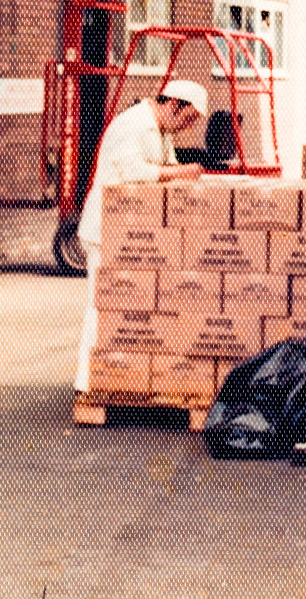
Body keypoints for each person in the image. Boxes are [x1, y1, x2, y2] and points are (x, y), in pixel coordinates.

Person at [73, 79, 208, 392]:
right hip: (105, 229)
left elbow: (168, 166)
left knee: (129, 307)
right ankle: (86, 382)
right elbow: (131, 171)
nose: (187, 127)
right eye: (188, 119)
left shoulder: (162, 131)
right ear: (174, 104)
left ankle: (121, 376)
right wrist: (180, 172)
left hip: (131, 232)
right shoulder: (131, 125)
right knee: (101, 303)